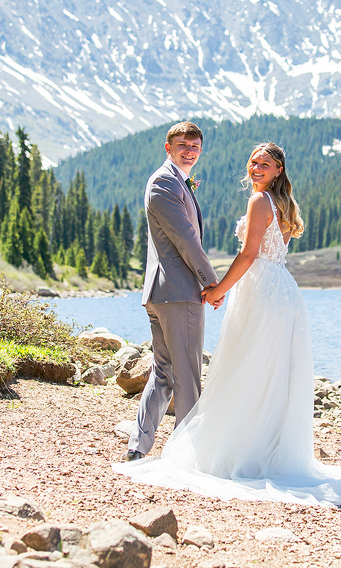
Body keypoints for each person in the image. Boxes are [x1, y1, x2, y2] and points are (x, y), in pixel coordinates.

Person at [114, 142, 341, 513]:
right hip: (281, 291)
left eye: (266, 164)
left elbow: (248, 254)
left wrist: (218, 289)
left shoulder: (260, 202)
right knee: (269, 374)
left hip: (260, 291)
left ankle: (237, 452)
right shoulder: (284, 204)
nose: (257, 168)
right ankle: (265, 450)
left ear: (278, 170)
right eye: (254, 162)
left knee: (247, 369)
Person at [123, 121, 221, 462]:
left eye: (195, 145)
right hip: (178, 292)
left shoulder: (177, 180)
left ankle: (138, 449)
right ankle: (188, 456)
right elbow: (184, 238)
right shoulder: (164, 181)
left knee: (163, 373)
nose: (189, 150)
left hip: (163, 291)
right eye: (183, 145)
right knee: (188, 376)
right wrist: (211, 281)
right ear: (169, 147)